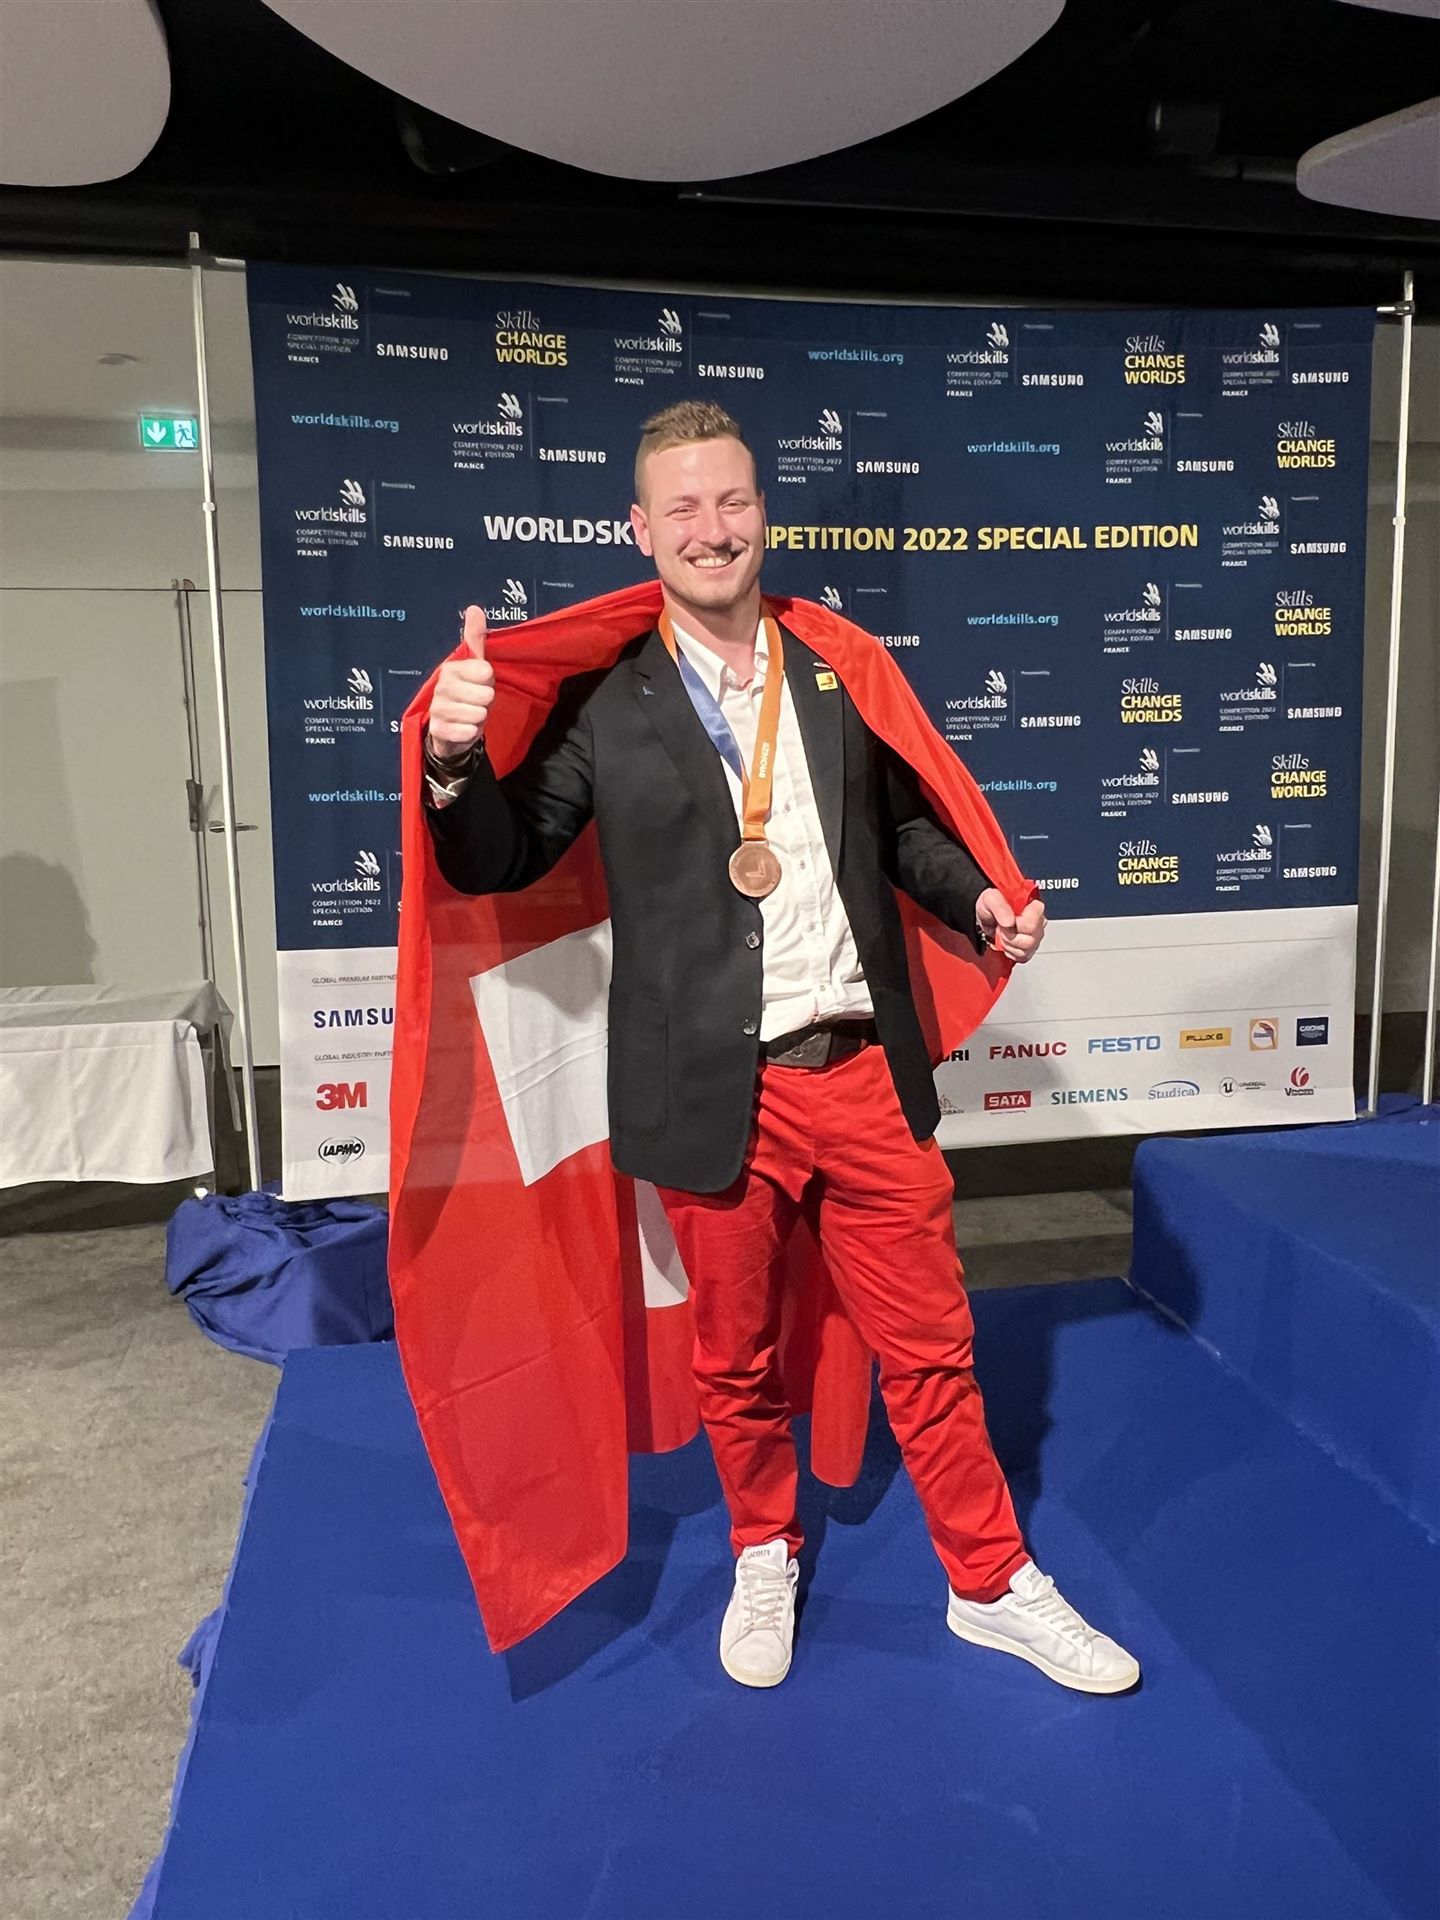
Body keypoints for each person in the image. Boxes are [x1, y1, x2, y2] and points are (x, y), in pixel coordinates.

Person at [421, 400, 1139, 1696]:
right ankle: (764, 1545)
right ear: (641, 531)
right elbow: (501, 858)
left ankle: (989, 1582)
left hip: (859, 1073)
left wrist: (976, 896)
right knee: (736, 1361)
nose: (712, 529)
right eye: (683, 509)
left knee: (934, 1350)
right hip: (713, 1093)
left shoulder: (836, 667)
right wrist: (453, 761)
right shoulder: (607, 702)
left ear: (764, 511)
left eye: (733, 501)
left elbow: (904, 830)